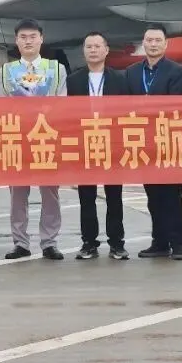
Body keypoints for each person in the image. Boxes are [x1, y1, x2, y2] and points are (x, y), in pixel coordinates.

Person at [0, 19, 68, 261]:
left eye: (32, 36)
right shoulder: (6, 71)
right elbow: (1, 107)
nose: (28, 41)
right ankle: (20, 242)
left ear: (41, 39)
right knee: (17, 194)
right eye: (23, 37)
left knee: (50, 193)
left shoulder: (56, 68)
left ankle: (49, 242)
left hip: (46, 137)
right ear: (16, 41)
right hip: (17, 139)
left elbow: (62, 103)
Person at [125, 22, 182, 260]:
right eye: (149, 40)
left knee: (172, 195)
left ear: (165, 44)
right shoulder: (132, 72)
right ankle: (159, 242)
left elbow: (177, 106)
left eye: (157, 41)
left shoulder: (177, 71)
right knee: (152, 196)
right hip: (142, 143)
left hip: (167, 141)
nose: (153, 45)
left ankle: (178, 243)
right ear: (143, 43)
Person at [67, 31, 131, 260]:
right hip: (85, 143)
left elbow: (128, 111)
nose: (93, 50)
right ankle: (89, 243)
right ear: (83, 51)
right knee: (86, 197)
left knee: (114, 196)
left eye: (97, 46)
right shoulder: (73, 80)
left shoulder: (120, 79)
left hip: (112, 143)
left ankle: (117, 243)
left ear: (106, 50)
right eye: (89, 47)